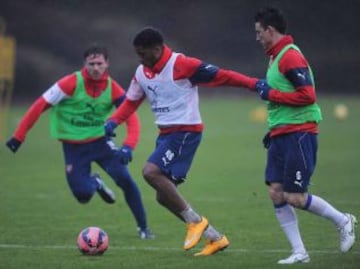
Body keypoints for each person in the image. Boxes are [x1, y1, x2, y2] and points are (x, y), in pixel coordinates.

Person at [104, 27, 258, 256]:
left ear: (157, 49)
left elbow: (223, 75)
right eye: (138, 53)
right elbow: (131, 101)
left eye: (143, 53)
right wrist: (113, 122)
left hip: (186, 132)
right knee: (163, 197)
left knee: (150, 172)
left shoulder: (182, 64)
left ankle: (195, 222)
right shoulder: (141, 72)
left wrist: (254, 84)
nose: (140, 58)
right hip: (166, 136)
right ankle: (215, 237)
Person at [6, 45, 154, 239]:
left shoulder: (113, 88)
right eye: (91, 64)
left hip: (101, 143)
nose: (95, 68)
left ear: (107, 64)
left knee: (125, 179)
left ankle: (143, 228)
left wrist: (128, 146)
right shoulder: (69, 83)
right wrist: (19, 136)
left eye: (99, 63)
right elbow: (40, 105)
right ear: (84, 64)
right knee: (83, 195)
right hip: (74, 148)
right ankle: (96, 183)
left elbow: (131, 118)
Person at [253, 7, 357, 264]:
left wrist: (271, 95)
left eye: (259, 32)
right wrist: (273, 129)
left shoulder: (289, 57)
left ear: (270, 30)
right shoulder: (275, 57)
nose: (257, 37)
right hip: (281, 134)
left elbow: (307, 96)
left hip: (299, 135)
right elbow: (284, 99)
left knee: (295, 197)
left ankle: (343, 220)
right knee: (276, 193)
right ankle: (300, 251)